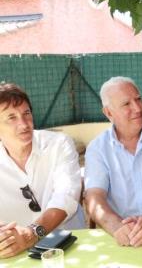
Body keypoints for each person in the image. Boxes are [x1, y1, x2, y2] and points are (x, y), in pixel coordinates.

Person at [84, 77, 142, 248]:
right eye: (126, 104)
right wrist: (117, 227)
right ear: (109, 113)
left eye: (138, 99)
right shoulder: (97, 148)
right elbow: (94, 197)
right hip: (126, 235)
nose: (137, 108)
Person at [0, 82, 84, 258]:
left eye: (26, 113)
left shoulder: (59, 144)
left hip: (69, 245)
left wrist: (31, 233)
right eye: (11, 118)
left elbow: (66, 196)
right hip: (15, 253)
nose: (24, 124)